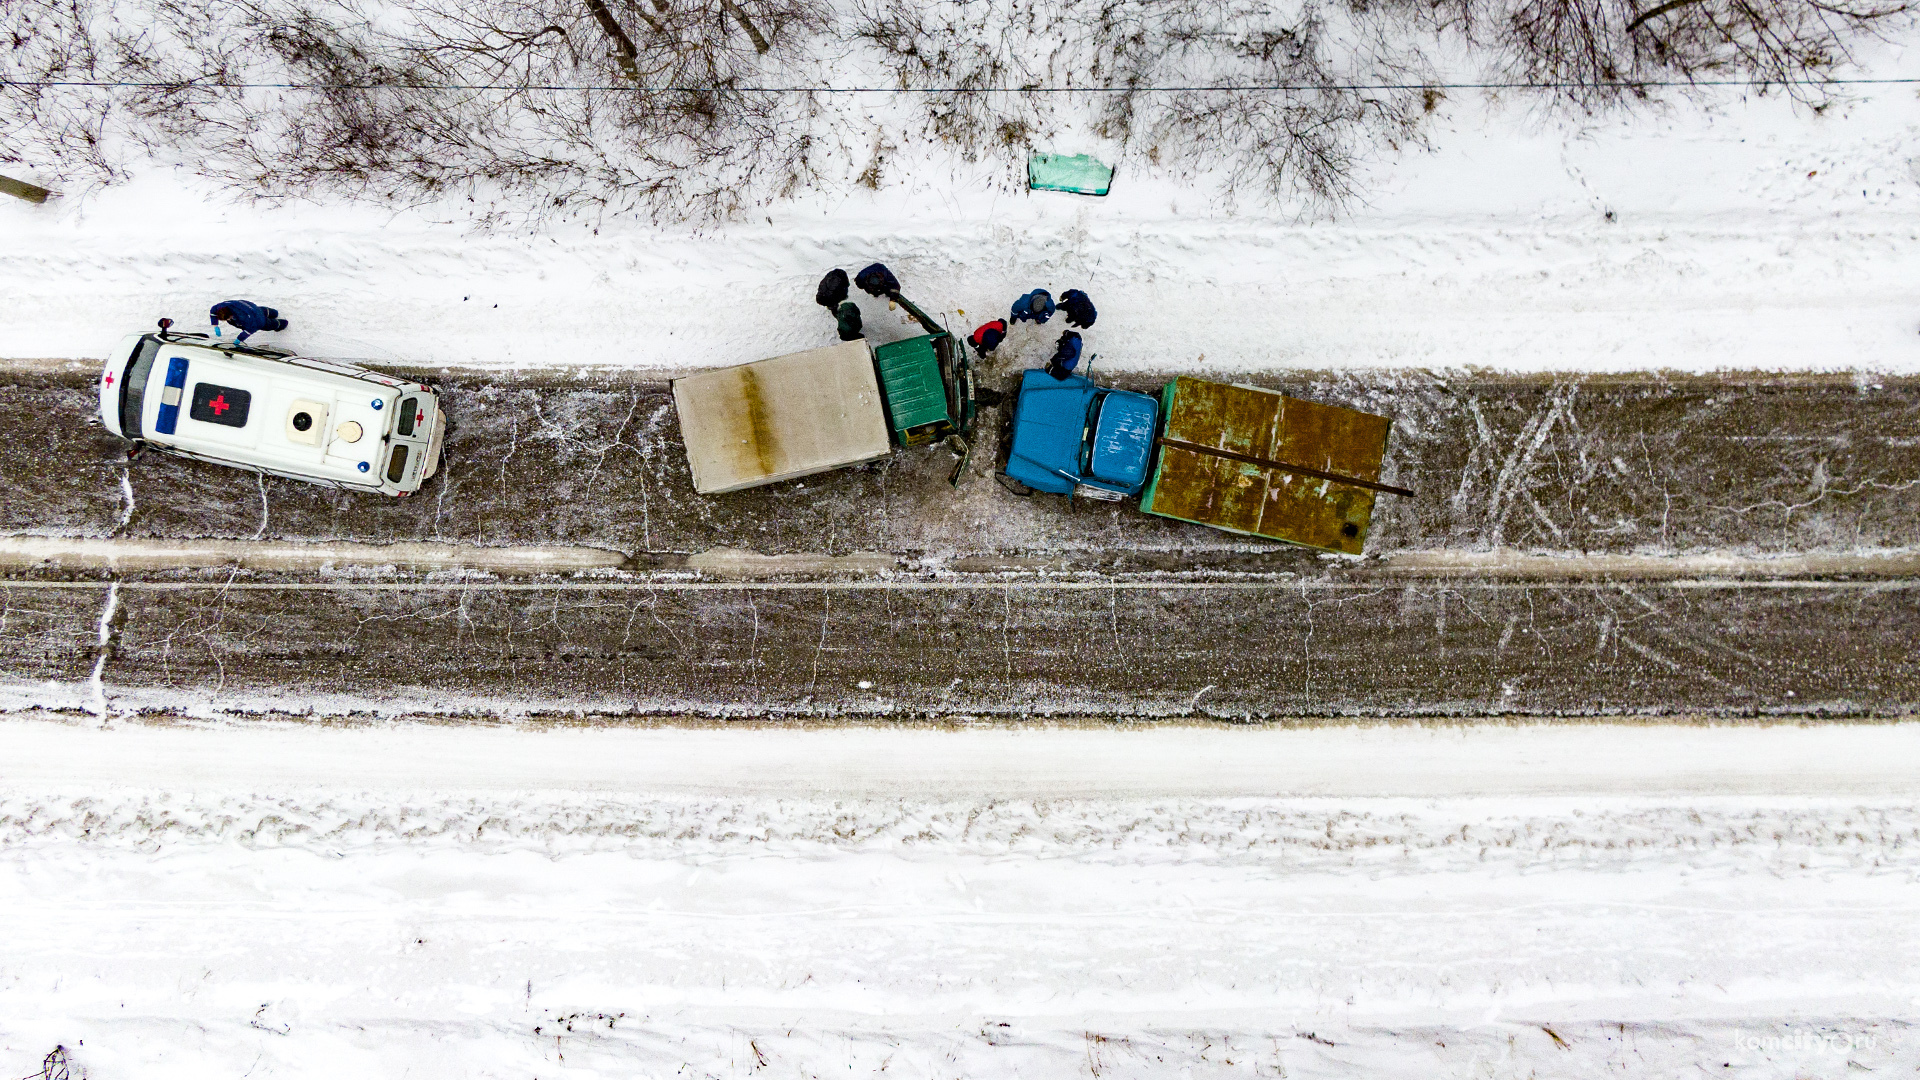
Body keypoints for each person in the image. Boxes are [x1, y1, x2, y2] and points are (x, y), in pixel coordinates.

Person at [210, 300, 287, 343]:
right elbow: (213, 310)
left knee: (266, 324)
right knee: (260, 311)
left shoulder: (242, 317)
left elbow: (252, 327)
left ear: (230, 315)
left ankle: (281, 324)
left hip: (256, 318)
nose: (227, 321)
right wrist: (215, 325)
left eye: (227, 319)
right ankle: (273, 312)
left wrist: (239, 339)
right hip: (251, 307)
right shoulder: (222, 307)